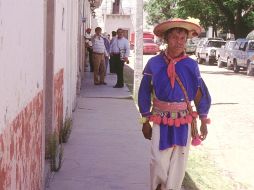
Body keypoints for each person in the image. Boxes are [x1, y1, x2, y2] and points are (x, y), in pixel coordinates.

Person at [138, 18, 211, 190]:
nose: (178, 42)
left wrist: (203, 119)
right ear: (166, 39)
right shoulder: (154, 63)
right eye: (174, 38)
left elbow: (199, 93)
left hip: (183, 121)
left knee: (179, 163)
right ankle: (158, 187)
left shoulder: (191, 65)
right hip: (160, 120)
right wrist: (145, 120)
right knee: (157, 161)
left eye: (182, 39)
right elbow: (144, 92)